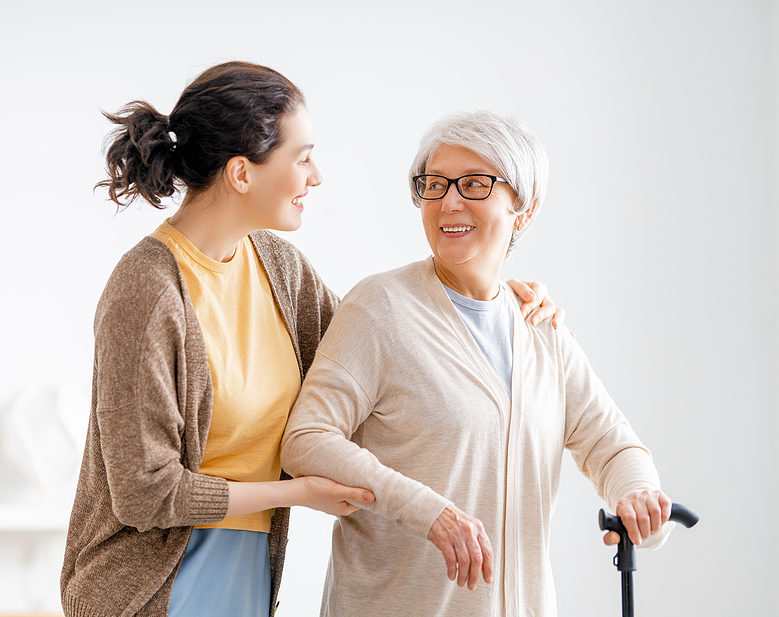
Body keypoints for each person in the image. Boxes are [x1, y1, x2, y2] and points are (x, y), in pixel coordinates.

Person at [60, 62, 562, 617]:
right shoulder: (149, 289)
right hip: (146, 586)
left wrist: (490, 300)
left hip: (245, 569)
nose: (315, 176)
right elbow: (144, 492)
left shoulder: (279, 268)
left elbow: (388, 351)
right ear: (241, 173)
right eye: (302, 158)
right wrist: (294, 493)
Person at [280, 109, 673, 617]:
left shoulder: (541, 329)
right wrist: (427, 510)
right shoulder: (380, 309)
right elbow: (307, 440)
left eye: (474, 184)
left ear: (523, 209)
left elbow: (611, 444)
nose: (449, 201)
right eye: (436, 184)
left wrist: (640, 496)